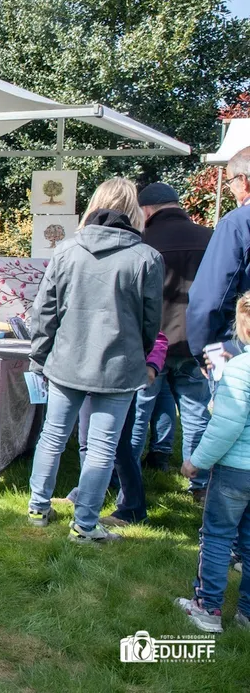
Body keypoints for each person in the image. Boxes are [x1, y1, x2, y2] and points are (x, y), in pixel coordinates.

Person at [27, 179, 163, 544]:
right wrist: (139, 352)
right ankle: (84, 525)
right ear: (133, 210)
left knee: (52, 437)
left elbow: (44, 313)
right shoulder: (146, 258)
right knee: (101, 447)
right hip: (117, 365)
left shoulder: (67, 250)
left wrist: (39, 357)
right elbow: (152, 322)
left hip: (67, 360)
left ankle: (38, 508)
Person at [175, 291, 250, 634]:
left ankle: (207, 609)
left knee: (218, 536)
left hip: (235, 470)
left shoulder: (240, 369)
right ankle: (246, 613)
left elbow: (226, 424)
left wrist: (197, 462)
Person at [131, 182, 213, 476]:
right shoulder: (209, 237)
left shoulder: (141, 241)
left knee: (139, 412)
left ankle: (127, 481)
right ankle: (200, 482)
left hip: (153, 342)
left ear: (147, 210)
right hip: (197, 340)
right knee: (196, 412)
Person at [186, 148, 250, 503]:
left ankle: (231, 538)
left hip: (238, 344)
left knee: (232, 428)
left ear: (243, 183)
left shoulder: (238, 223)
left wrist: (204, 349)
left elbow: (210, 296)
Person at [65, 332, 167, 526]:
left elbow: (157, 334)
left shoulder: (132, 300)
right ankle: (85, 496)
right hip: (87, 375)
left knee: (120, 447)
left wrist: (152, 364)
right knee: (86, 443)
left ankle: (132, 509)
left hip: (120, 378)